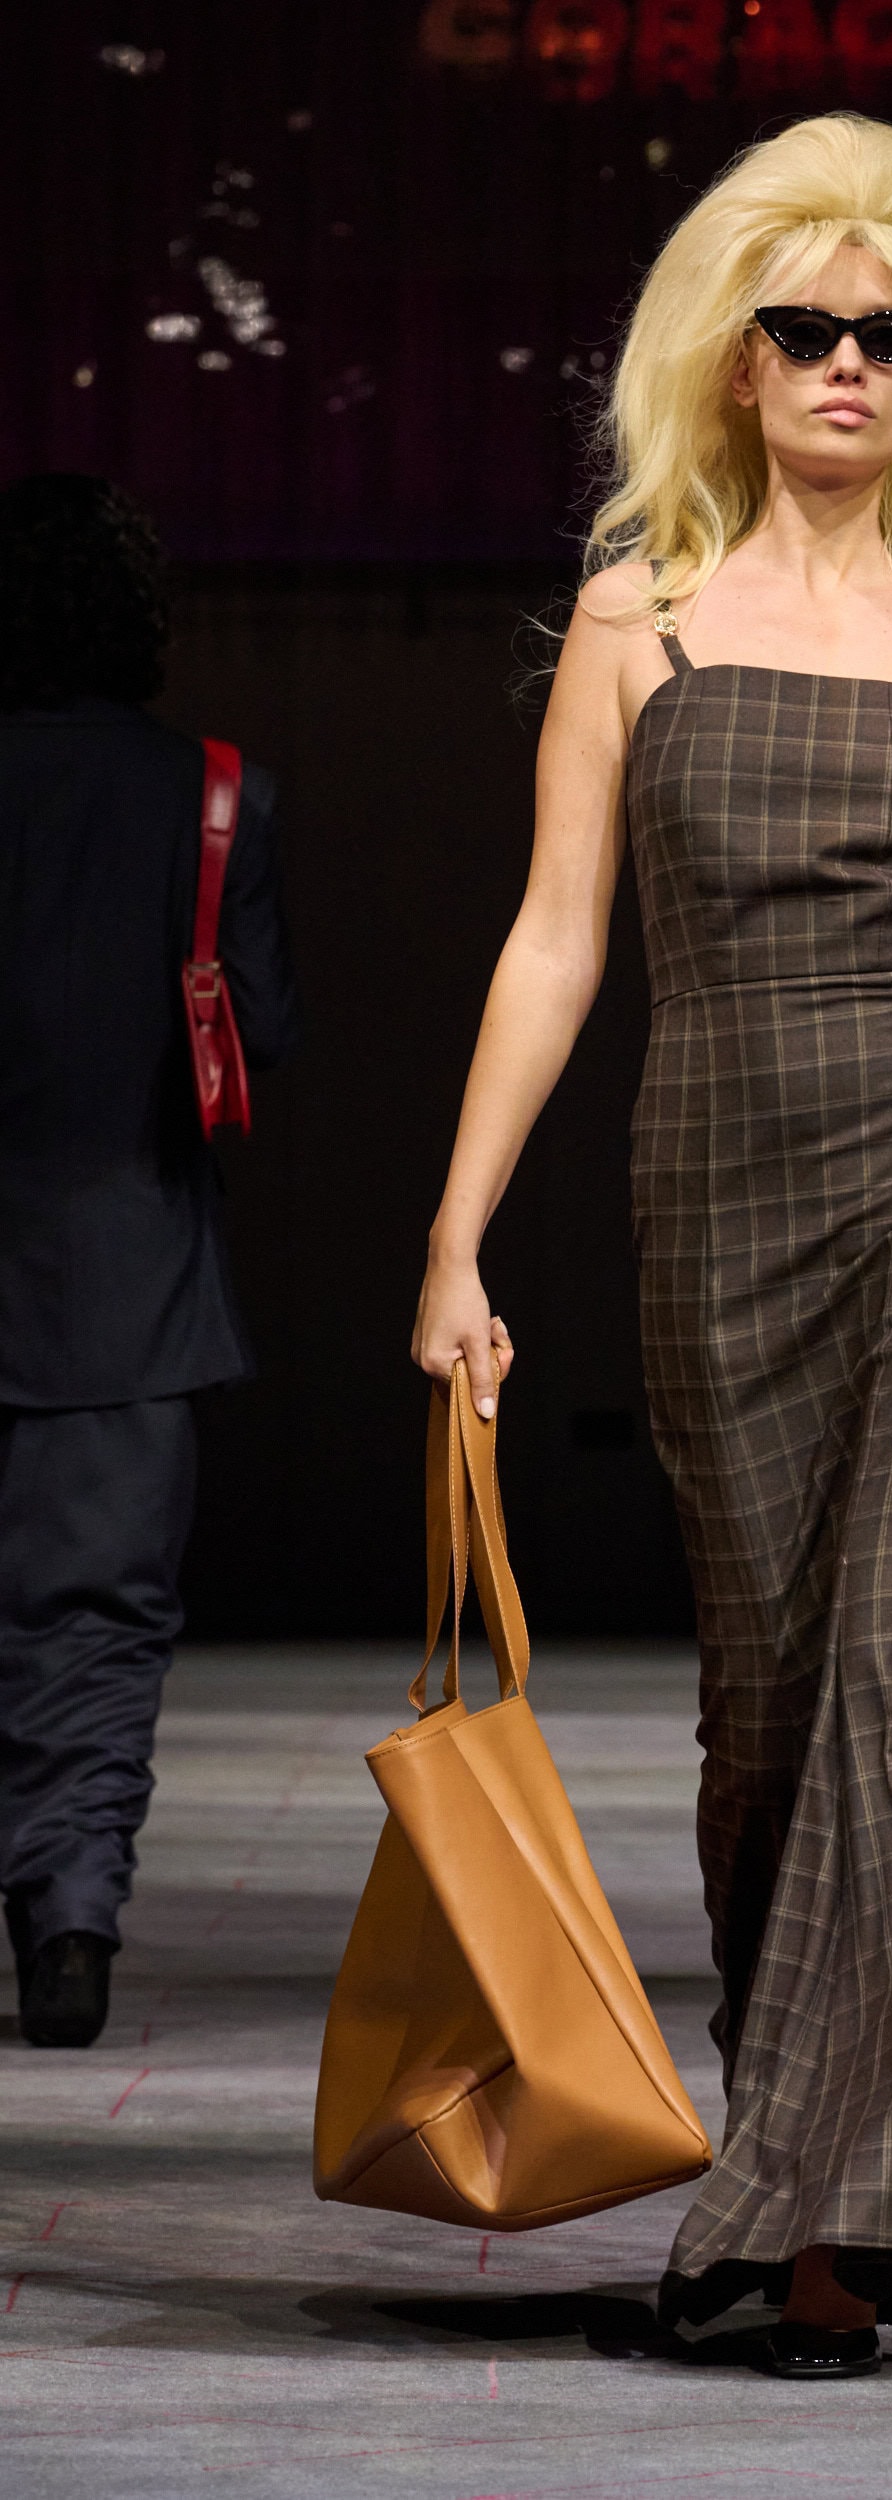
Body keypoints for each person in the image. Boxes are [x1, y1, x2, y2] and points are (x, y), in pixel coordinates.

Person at [413, 113, 892, 2378]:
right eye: (805, 326)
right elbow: (556, 941)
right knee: (768, 1709)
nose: (845, 361)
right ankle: (811, 2160)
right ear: (735, 360)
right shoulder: (633, 622)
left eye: (888, 332)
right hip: (724, 1194)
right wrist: (455, 1238)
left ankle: (819, 2221)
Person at [0, 474, 299, 2047]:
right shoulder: (214, 794)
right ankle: (70, 1923)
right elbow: (261, 1036)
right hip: (131, 1274)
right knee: (98, 1625)